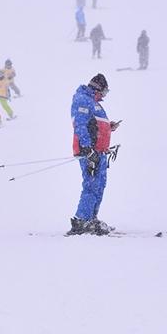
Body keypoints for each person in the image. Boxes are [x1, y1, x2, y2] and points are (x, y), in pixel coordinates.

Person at [67, 74, 119, 236]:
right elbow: (80, 125)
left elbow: (94, 125)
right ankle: (82, 220)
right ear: (97, 88)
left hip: (100, 151)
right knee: (91, 184)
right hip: (90, 152)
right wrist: (87, 149)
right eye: (104, 91)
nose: (104, 95)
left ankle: (91, 218)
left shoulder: (94, 103)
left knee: (99, 184)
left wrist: (108, 127)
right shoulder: (82, 100)